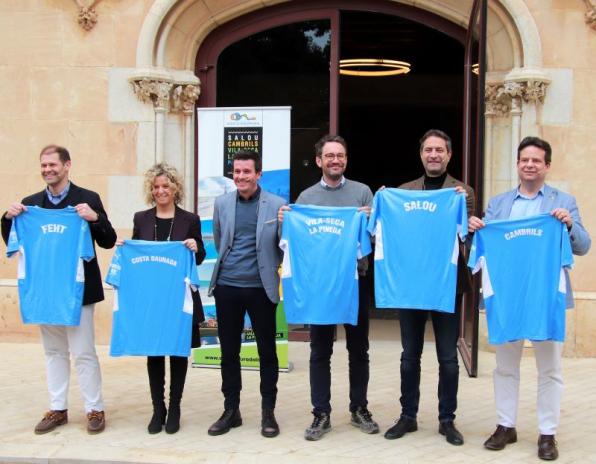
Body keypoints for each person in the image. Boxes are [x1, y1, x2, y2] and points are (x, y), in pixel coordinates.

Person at [468, 136, 591, 461]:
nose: (530, 165)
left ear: (546, 165)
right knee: (505, 367)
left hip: (546, 297)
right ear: (517, 164)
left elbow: (583, 245)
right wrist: (475, 227)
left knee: (549, 369)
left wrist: (568, 224)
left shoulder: (562, 200)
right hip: (508, 298)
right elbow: (483, 242)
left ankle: (547, 433)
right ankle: (505, 425)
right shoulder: (498, 203)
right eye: (524, 159)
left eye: (536, 160)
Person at [1, 144, 116, 434]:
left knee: (84, 352)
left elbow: (109, 240)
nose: (47, 170)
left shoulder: (87, 199)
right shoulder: (31, 205)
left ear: (67, 166)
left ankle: (94, 409)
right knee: (53, 352)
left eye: (52, 165)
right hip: (46, 290)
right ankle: (57, 408)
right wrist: (7, 218)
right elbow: (15, 241)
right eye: (43, 166)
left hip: (79, 291)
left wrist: (95, 218)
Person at [279, 134, 379, 441]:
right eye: (330, 155)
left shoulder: (363, 193)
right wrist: (286, 218)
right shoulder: (306, 199)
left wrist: (370, 219)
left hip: (354, 282)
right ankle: (320, 413)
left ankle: (359, 408)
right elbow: (296, 243)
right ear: (320, 160)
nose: (336, 160)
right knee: (319, 350)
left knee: (358, 349)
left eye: (341, 155)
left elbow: (375, 239)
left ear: (346, 160)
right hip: (318, 285)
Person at [384, 129, 474, 446]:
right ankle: (408, 416)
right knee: (410, 356)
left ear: (449, 155)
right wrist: (384, 202)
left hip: (446, 286)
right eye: (428, 150)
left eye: (439, 150)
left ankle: (447, 420)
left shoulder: (462, 193)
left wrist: (470, 220)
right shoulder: (403, 191)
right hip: (411, 285)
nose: (433, 154)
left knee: (448, 358)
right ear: (421, 154)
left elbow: (467, 238)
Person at [120, 163, 206, 434]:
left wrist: (194, 247)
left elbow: (200, 255)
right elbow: (136, 255)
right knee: (154, 353)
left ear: (175, 188)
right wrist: (125, 248)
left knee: (178, 352)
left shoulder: (189, 220)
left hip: (179, 300)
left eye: (165, 186)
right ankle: (158, 409)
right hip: (151, 299)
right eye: (156, 187)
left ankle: (175, 408)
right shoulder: (141, 219)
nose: (160, 191)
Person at [207, 150, 286, 438]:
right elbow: (219, 240)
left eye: (246, 172)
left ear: (258, 174)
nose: (240, 176)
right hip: (227, 287)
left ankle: (268, 411)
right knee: (229, 352)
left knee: (268, 351)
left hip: (261, 288)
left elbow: (282, 245)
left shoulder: (277, 205)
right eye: (236, 171)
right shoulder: (221, 203)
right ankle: (231, 410)